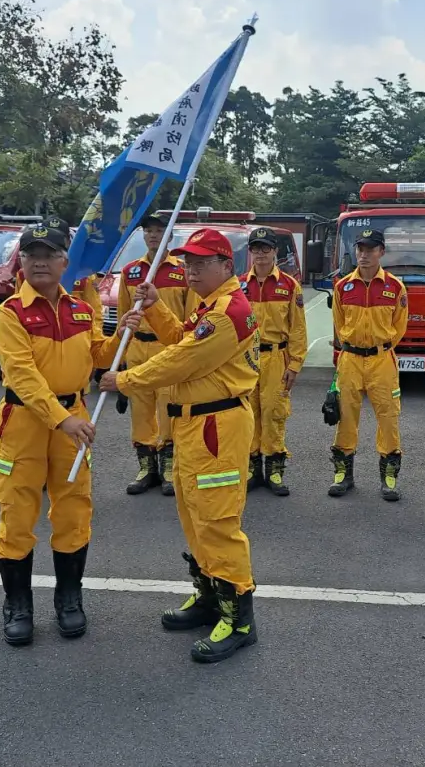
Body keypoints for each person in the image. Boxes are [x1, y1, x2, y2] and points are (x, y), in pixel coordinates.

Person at [100, 227, 260, 664]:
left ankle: (239, 617)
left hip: (216, 427)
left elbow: (181, 360)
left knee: (217, 520)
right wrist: (154, 310)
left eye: (202, 262)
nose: (191, 269)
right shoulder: (208, 307)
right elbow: (183, 341)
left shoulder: (227, 311)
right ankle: (210, 595)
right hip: (195, 425)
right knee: (194, 515)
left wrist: (125, 381)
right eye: (188, 261)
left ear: (227, 266)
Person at [0, 222, 123, 646]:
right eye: (31, 254)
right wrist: (61, 419)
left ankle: (69, 597)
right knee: (18, 511)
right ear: (21, 262)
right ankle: (18, 604)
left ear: (65, 261)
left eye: (49, 254)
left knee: (73, 508)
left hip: (73, 415)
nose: (39, 261)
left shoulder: (81, 309)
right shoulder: (9, 313)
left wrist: (127, 331)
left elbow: (99, 354)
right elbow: (22, 375)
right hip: (27, 420)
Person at [114, 214, 193, 496]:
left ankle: (169, 466)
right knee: (141, 410)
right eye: (148, 231)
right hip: (137, 348)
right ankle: (147, 467)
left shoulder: (181, 271)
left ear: (169, 237)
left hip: (167, 349)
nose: (153, 235)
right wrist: (121, 358)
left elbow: (189, 317)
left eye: (160, 231)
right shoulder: (130, 272)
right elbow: (125, 316)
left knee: (168, 406)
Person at [329, 228, 409, 501]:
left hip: (381, 361)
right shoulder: (342, 287)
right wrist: (351, 347)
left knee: (388, 418)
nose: (364, 254)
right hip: (350, 360)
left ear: (381, 252)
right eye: (360, 249)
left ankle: (388, 477)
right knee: (346, 417)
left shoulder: (395, 287)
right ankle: (343, 475)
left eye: (371, 249)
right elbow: (339, 325)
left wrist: (380, 347)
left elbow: (399, 326)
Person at [240, 227, 308, 495]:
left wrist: (295, 364)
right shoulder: (238, 286)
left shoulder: (290, 286)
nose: (260, 253)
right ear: (250, 251)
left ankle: (275, 470)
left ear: (275, 252)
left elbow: (298, 329)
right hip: (246, 359)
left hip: (277, 357)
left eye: (266, 248)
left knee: (274, 411)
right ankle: (252, 469)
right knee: (248, 413)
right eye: (256, 248)